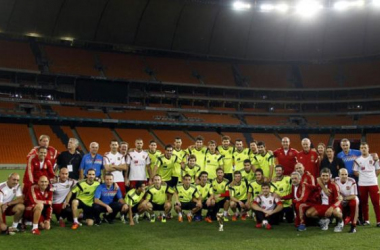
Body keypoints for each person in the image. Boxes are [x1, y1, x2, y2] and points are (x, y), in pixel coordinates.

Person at [305, 168, 343, 232]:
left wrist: (331, 207)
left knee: (337, 213)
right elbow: (314, 188)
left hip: (333, 205)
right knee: (308, 213)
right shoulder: (320, 184)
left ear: (330, 176)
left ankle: (340, 223)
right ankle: (324, 221)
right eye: (323, 176)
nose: (325, 178)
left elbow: (338, 200)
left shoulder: (334, 185)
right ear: (321, 176)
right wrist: (305, 184)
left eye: (326, 176)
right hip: (323, 205)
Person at [353, 142, 380, 227]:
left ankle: (379, 221)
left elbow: (378, 169)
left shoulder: (374, 158)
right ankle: (366, 220)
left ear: (368, 148)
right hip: (362, 184)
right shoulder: (357, 160)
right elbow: (355, 171)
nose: (363, 149)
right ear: (360, 149)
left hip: (373, 183)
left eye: (365, 147)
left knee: (376, 202)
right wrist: (363, 176)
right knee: (364, 202)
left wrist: (373, 177)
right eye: (362, 148)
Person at [335, 168, 359, 233]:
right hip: (341, 200)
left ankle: (353, 225)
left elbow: (353, 195)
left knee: (354, 202)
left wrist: (343, 198)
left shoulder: (352, 181)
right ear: (339, 175)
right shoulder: (335, 180)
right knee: (343, 220)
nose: (344, 176)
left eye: (346, 174)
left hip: (350, 199)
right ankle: (341, 220)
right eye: (342, 174)